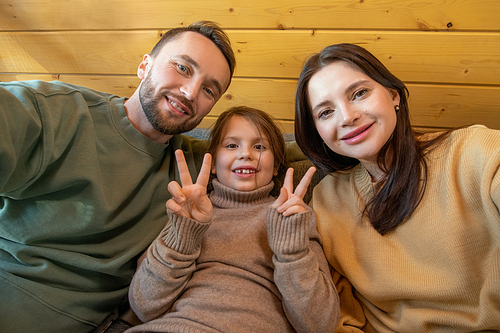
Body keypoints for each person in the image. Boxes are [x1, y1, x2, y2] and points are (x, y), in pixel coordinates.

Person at [0, 21, 236, 333]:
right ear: (144, 65)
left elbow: (289, 152)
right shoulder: (55, 111)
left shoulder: (196, 167)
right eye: (182, 67)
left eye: (209, 90)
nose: (191, 92)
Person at [294, 42, 500, 332]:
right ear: (318, 132)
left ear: (393, 95)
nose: (347, 117)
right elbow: (339, 317)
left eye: (359, 93)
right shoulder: (326, 201)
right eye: (326, 112)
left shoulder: (475, 152)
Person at [126, 106, 340, 332]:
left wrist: (292, 252)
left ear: (276, 165)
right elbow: (144, 306)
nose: (245, 154)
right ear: (214, 164)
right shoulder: (189, 210)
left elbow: (321, 325)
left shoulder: (294, 216)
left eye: (259, 146)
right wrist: (183, 234)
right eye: (231, 145)